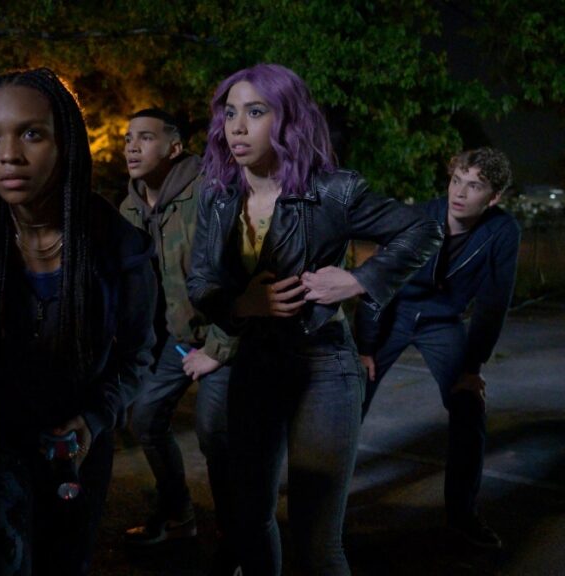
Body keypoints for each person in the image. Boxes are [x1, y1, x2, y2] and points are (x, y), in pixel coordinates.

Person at [187, 63, 442, 576]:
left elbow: (423, 230)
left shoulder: (333, 190)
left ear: (288, 119)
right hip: (252, 365)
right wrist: (242, 305)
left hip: (324, 365)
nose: (237, 127)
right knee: (248, 521)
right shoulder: (216, 195)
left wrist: (358, 280)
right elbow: (201, 282)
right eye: (230, 113)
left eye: (255, 112)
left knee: (316, 543)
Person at [0, 68, 157, 575]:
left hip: (74, 437)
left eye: (31, 134)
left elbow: (139, 351)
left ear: (66, 143)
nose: (9, 154)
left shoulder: (119, 245)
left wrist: (95, 417)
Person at [355, 147, 520, 550]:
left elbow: (494, 300)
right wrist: (364, 346)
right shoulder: (417, 217)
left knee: (468, 407)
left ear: (494, 197)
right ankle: (317, 498)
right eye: (456, 180)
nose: (459, 193)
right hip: (395, 312)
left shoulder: (502, 231)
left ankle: (462, 516)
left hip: (443, 321)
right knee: (348, 398)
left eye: (474, 186)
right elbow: (377, 281)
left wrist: (472, 367)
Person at [118, 108, 238, 571]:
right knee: (146, 418)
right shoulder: (129, 208)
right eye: (128, 138)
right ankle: (178, 515)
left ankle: (235, 537)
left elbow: (240, 274)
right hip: (178, 337)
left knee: (215, 436)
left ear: (174, 147)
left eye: (145, 137)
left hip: (225, 336)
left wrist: (219, 348)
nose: (132, 146)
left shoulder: (210, 192)